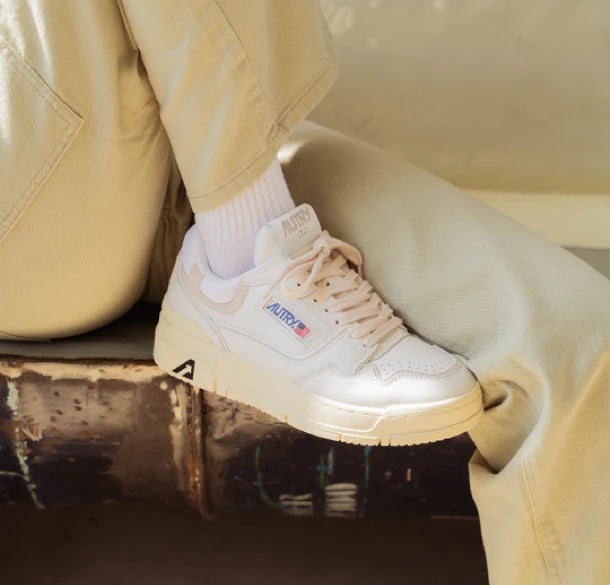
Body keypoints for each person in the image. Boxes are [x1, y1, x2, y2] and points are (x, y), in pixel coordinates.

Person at [0, 2, 608, 584]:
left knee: (579, 345)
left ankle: (243, 236)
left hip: (204, 134)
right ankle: (247, 248)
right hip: (41, 177)